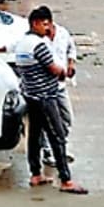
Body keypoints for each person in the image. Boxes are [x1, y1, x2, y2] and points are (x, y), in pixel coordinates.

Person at [13, 7, 88, 194]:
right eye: (44, 24)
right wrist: (64, 73)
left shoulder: (22, 44)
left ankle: (35, 174)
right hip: (46, 97)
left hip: (31, 96)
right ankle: (66, 179)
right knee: (57, 136)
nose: (47, 29)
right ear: (35, 24)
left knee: (34, 136)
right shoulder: (38, 45)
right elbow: (54, 69)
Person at [41, 11, 78, 168]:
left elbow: (71, 49)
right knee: (48, 121)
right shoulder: (38, 40)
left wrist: (71, 64)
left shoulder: (63, 33)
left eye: (46, 25)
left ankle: (61, 145)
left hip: (60, 86)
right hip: (46, 88)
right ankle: (48, 151)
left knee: (66, 118)